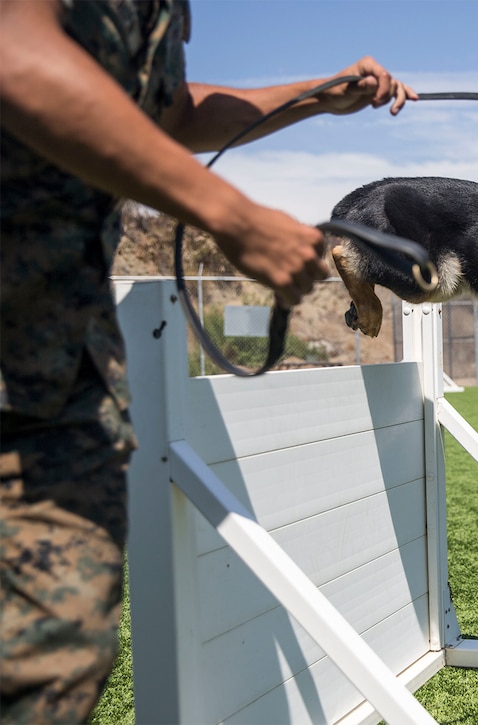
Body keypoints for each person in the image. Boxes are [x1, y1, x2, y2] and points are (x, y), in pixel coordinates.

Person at [0, 1, 417, 721]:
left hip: (54, 355)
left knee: (58, 650)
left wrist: (317, 97)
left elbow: (165, 113)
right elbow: (12, 53)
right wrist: (228, 213)